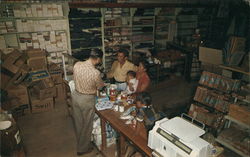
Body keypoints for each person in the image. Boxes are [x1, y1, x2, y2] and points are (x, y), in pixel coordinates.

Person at [72, 49, 104, 156]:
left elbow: (75, 78)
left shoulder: (77, 65)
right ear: (98, 59)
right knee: (87, 124)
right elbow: (100, 87)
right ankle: (83, 148)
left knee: (78, 122)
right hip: (86, 99)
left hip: (75, 96)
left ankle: (81, 141)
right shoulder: (95, 72)